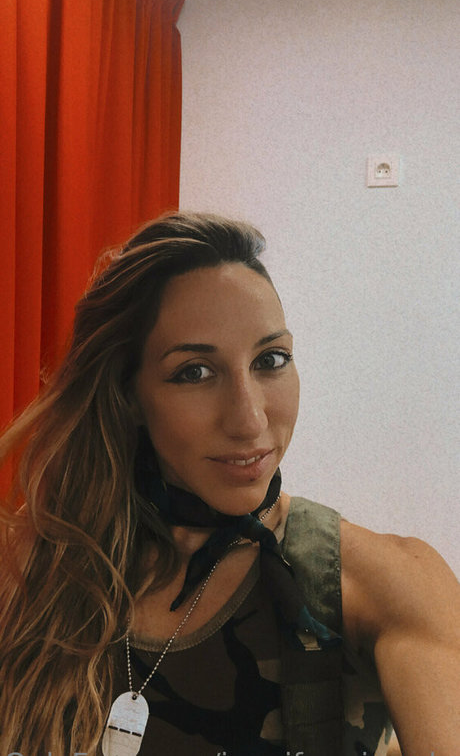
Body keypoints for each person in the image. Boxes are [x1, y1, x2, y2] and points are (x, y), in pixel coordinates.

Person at [0, 212, 458, 756]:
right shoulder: (28, 571)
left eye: (271, 360)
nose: (249, 419)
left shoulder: (383, 585)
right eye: (195, 371)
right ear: (128, 397)